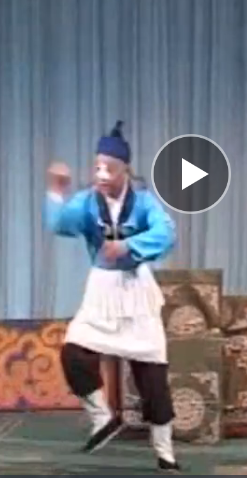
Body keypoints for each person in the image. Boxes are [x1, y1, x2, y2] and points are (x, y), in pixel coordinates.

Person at [44, 121, 181, 473]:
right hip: (101, 292)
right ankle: (102, 417)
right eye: (97, 167)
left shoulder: (144, 202)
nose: (102, 175)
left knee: (152, 376)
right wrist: (56, 191)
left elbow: (167, 233)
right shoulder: (87, 202)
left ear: (125, 171)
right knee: (73, 353)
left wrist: (129, 245)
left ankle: (165, 453)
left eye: (109, 168)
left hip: (137, 293)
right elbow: (59, 224)